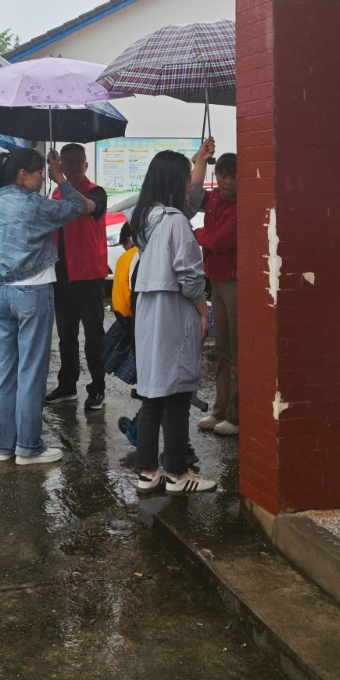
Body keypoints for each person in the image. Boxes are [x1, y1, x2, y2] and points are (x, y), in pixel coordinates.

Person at [0, 148, 90, 465]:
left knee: (2, 372)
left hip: (0, 292)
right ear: (23, 174)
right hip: (34, 289)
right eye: (40, 172)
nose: (43, 178)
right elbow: (75, 207)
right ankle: (28, 447)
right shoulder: (34, 206)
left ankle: (2, 446)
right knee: (31, 371)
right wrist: (62, 178)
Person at [128, 151, 216, 494]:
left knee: (153, 393)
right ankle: (178, 473)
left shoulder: (143, 217)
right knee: (178, 393)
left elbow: (191, 200)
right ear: (173, 182)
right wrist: (203, 309)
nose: (188, 186)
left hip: (148, 309)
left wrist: (199, 161)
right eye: (185, 179)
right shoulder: (176, 221)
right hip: (174, 308)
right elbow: (190, 275)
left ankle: (148, 472)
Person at [44, 143, 111, 412]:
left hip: (88, 275)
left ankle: (98, 387)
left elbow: (85, 207)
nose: (72, 167)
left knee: (94, 336)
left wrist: (59, 179)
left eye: (77, 162)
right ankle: (67, 385)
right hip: (61, 274)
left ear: (86, 165)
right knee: (66, 335)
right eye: (66, 162)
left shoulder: (96, 192)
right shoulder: (56, 195)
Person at [190, 140, 239, 435]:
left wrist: (195, 232)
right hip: (216, 281)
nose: (228, 181)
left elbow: (218, 240)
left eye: (233, 176)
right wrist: (200, 158)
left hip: (235, 282)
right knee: (221, 348)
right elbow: (192, 194)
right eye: (222, 175)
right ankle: (220, 408)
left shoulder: (242, 203)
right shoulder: (216, 197)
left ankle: (236, 414)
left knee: (236, 350)